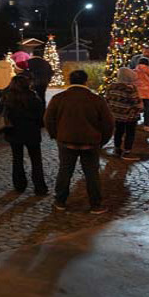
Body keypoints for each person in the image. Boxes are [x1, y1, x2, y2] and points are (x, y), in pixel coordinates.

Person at [44, 69, 114, 214]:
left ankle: (60, 201)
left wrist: (56, 135)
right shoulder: (96, 100)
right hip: (91, 142)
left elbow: (48, 119)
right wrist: (101, 140)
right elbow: (108, 123)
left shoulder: (59, 98)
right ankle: (95, 204)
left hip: (66, 141)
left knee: (65, 171)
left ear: (70, 81)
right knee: (92, 173)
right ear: (86, 81)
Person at [0, 75, 48, 195]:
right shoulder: (33, 97)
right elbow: (41, 116)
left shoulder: (7, 98)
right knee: (36, 160)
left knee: (17, 158)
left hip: (13, 131)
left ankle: (19, 184)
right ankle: (40, 186)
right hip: (31, 132)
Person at [105, 67, 143, 159]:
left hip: (116, 115)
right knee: (130, 133)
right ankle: (127, 151)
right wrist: (140, 108)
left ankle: (117, 149)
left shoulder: (111, 86)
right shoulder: (130, 88)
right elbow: (136, 102)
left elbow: (107, 99)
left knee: (118, 131)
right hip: (129, 116)